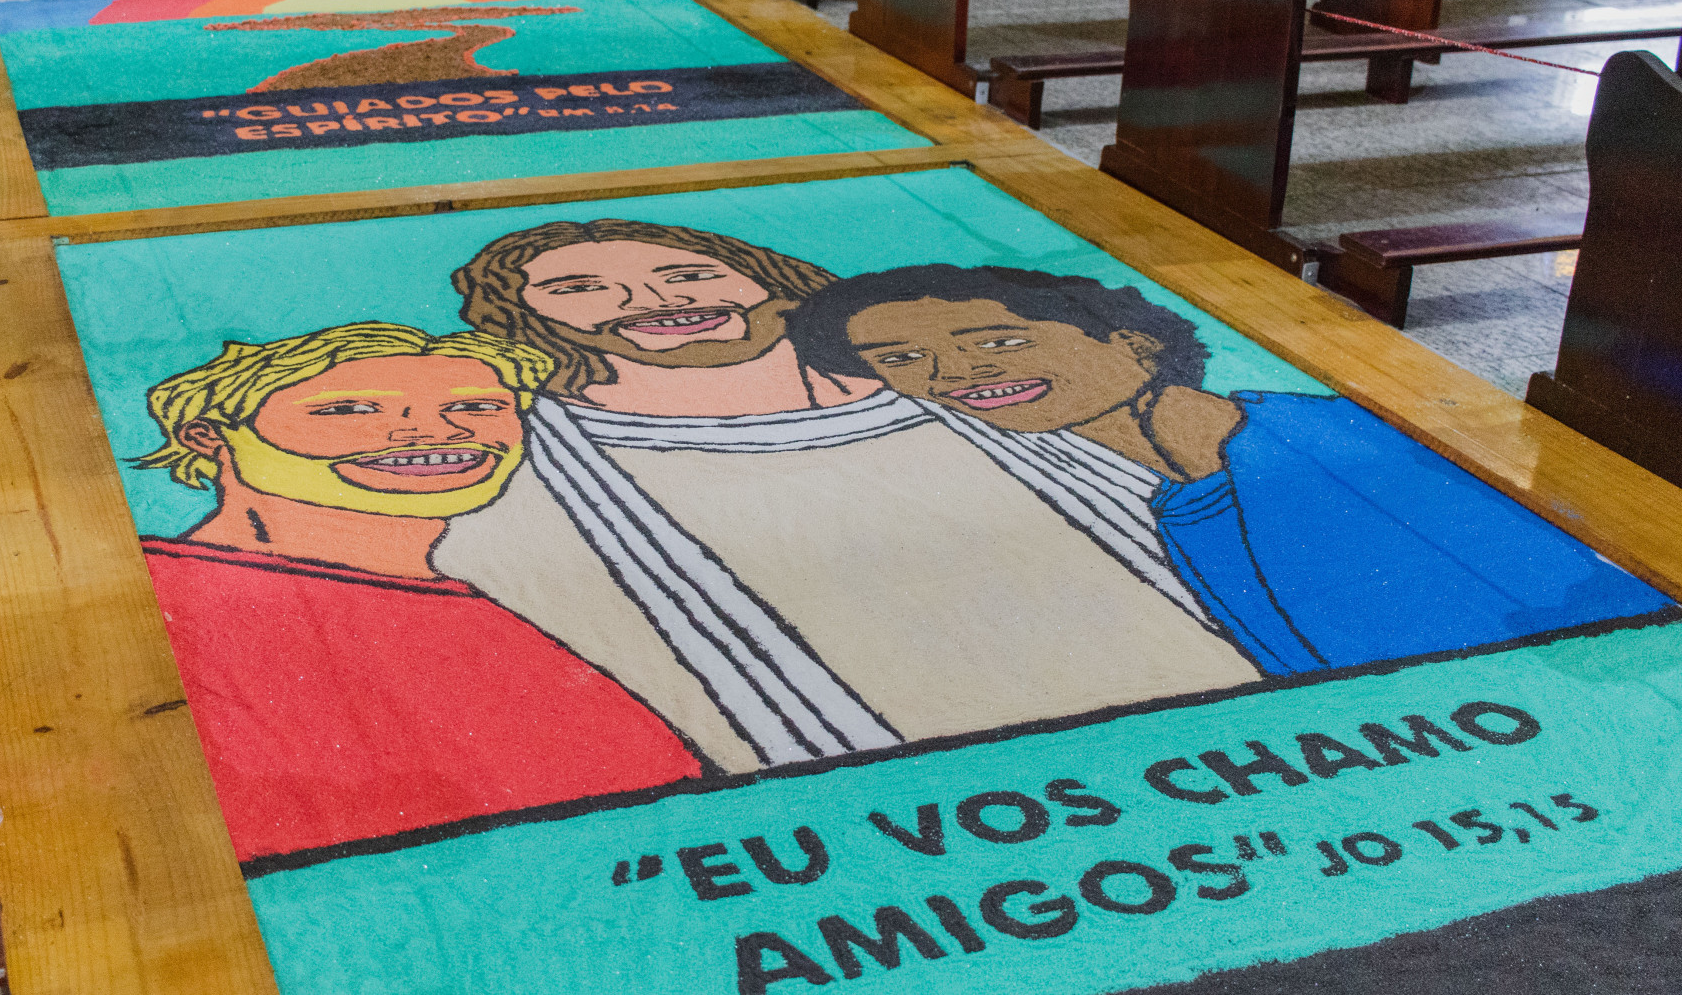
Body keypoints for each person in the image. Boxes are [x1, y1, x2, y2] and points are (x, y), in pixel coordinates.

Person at [431, 221, 1263, 774]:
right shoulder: (520, 463)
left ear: (770, 282)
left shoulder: (970, 385)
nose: (658, 301)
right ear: (522, 318)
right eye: (580, 289)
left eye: (689, 273)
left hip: (1223, 731)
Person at [784, 264, 1675, 674]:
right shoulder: (1183, 508)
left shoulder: (1335, 449)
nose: (951, 375)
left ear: (1130, 338)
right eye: (901, 362)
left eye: (1001, 340)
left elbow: (1591, 626)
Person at [135, 321, 704, 862]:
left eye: (477, 407)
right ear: (208, 435)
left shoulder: (481, 615)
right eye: (350, 409)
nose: (439, 431)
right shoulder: (164, 598)